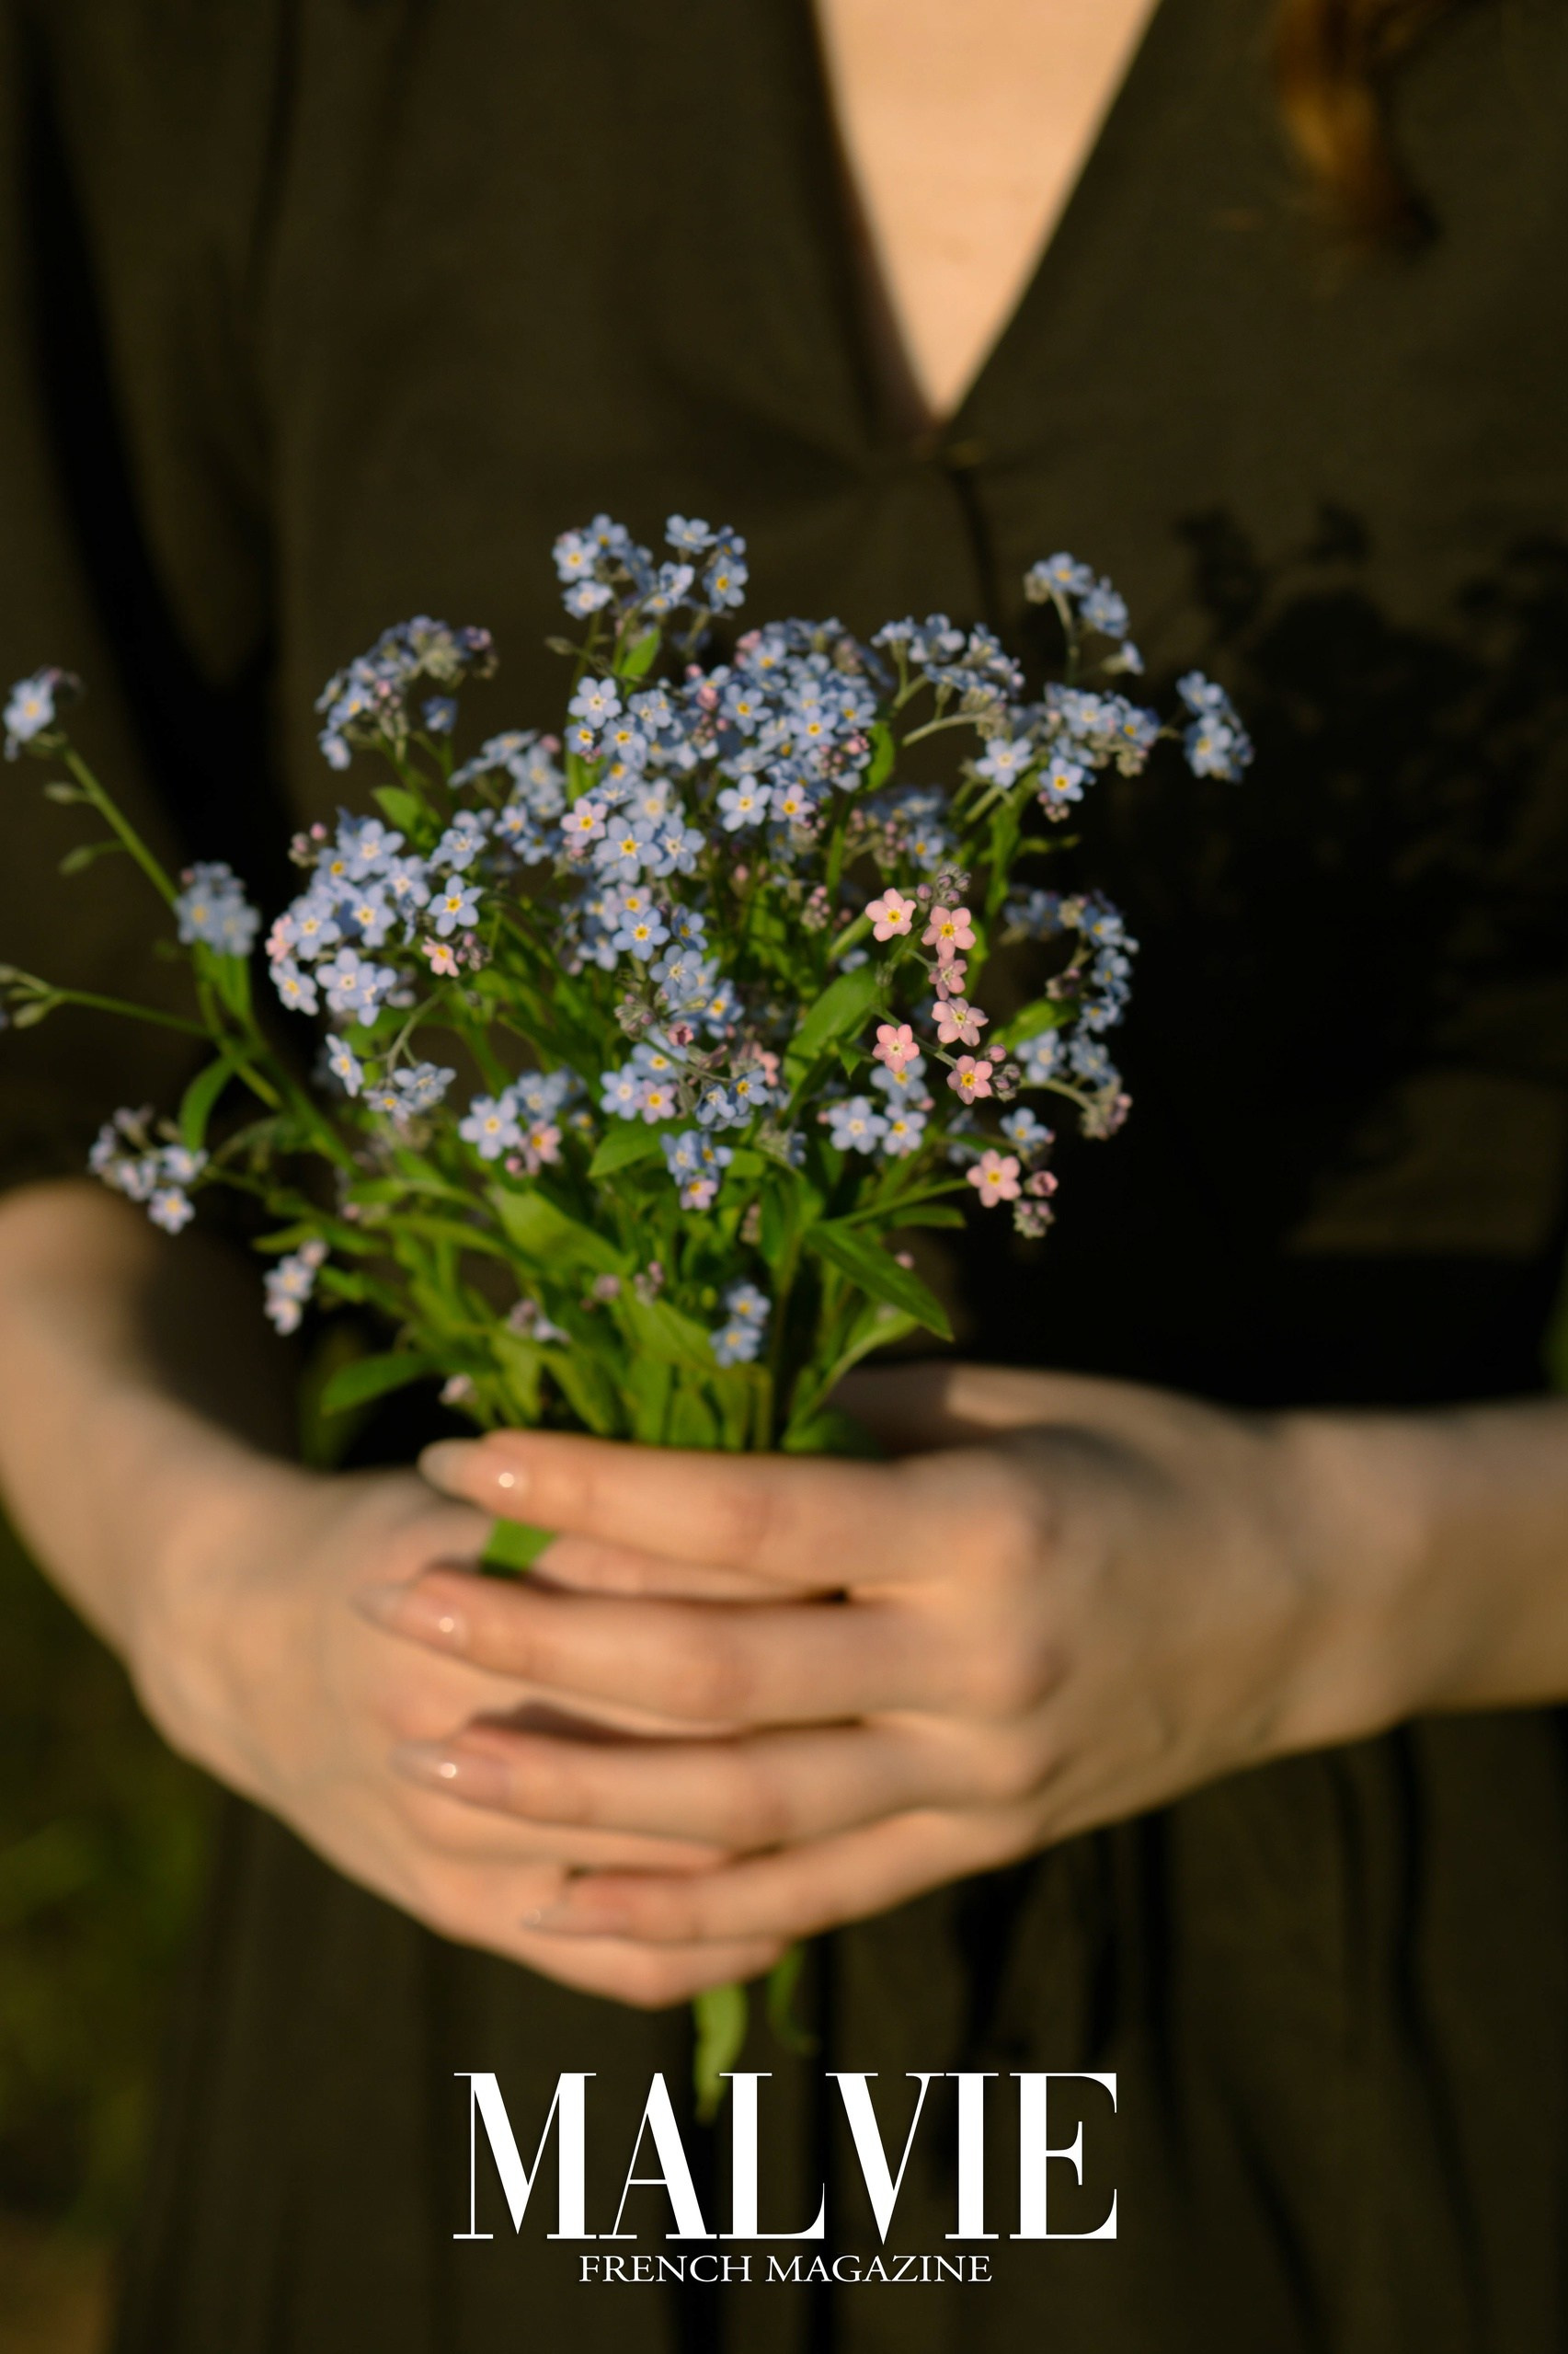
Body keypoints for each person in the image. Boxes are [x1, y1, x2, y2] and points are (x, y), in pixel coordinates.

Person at [2, 0, 1567, 2344]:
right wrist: (233, 1601)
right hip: (454, 2029)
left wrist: (1333, 1586)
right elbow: (43, 1140)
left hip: (1318, 2061)